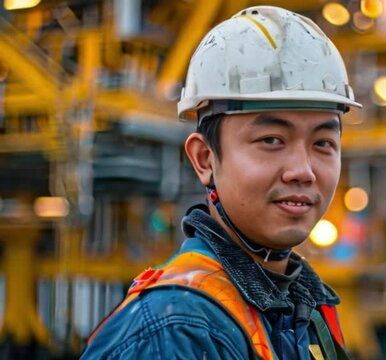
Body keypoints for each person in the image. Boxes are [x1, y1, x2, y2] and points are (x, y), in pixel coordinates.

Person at [81, 5, 361, 360]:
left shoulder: (304, 308)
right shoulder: (178, 332)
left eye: (323, 143)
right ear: (204, 158)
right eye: (272, 140)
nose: (302, 170)